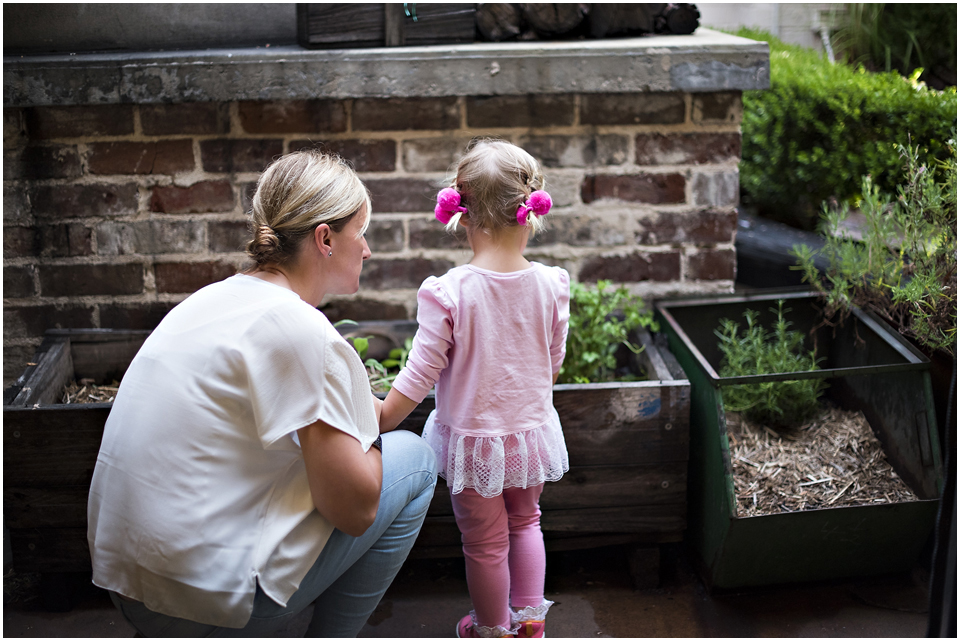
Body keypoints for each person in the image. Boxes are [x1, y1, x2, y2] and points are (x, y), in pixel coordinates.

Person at [87, 150, 438, 637]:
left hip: (128, 583)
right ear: (325, 239)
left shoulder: (213, 300)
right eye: (362, 232)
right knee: (417, 459)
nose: (368, 249)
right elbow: (355, 511)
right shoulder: (302, 331)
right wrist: (367, 443)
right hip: (205, 602)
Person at [379, 139, 571, 638]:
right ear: (530, 212)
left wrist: (381, 416)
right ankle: (531, 625)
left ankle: (491, 629)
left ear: (461, 215)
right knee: (527, 521)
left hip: (473, 441)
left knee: (485, 542)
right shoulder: (552, 283)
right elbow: (553, 363)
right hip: (528, 433)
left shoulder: (448, 292)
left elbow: (420, 373)